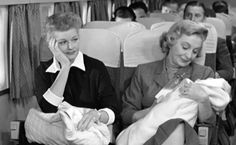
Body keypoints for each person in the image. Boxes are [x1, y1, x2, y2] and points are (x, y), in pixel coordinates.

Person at [119, 20, 221, 145]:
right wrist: (152, 111)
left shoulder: (203, 74)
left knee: (177, 126)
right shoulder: (144, 71)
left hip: (184, 138)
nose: (189, 55)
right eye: (185, 47)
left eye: (195, 51)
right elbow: (126, 114)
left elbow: (209, 122)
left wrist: (203, 99)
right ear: (171, 40)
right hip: (147, 136)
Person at [34, 12, 119, 135]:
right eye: (63, 42)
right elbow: (48, 110)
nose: (71, 47)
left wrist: (98, 115)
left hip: (87, 132)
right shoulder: (43, 71)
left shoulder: (96, 68)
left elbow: (113, 109)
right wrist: (65, 67)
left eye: (74, 39)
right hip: (56, 134)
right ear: (52, 45)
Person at [183, 0, 234, 82]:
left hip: (205, 84)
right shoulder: (174, 40)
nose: (192, 19)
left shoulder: (217, 41)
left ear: (204, 19)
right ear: (183, 17)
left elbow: (228, 71)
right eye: (188, 15)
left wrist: (211, 75)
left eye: (197, 16)